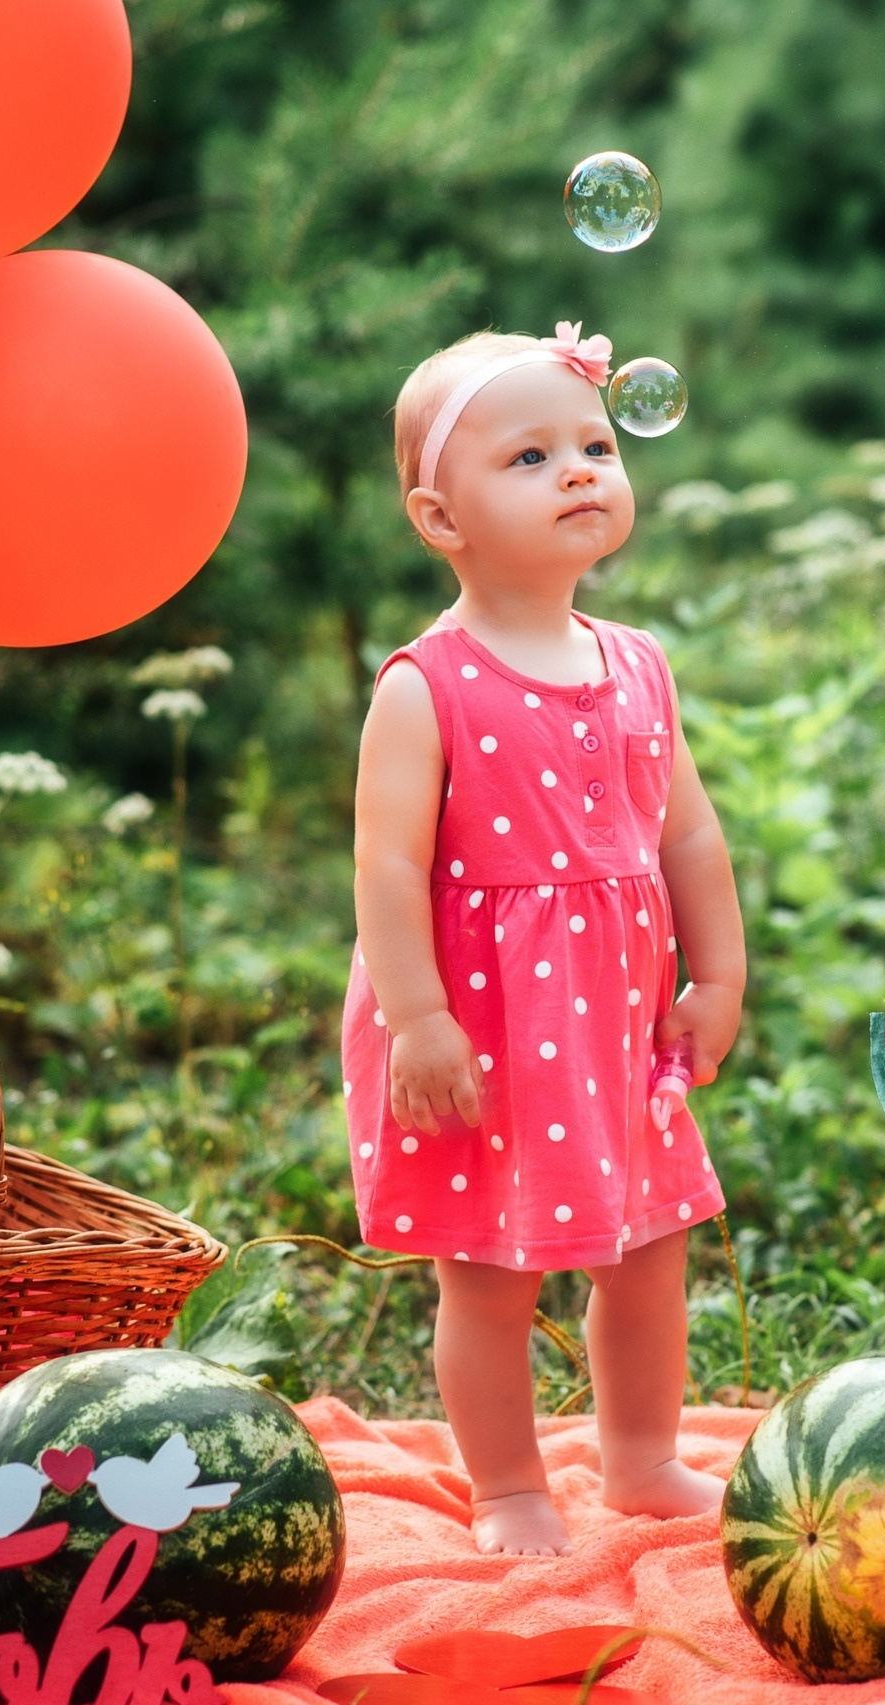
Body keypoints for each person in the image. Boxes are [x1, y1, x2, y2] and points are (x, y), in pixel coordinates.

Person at [342, 323, 747, 1557]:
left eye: (594, 445)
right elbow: (388, 864)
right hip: (485, 1020)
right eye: (529, 456)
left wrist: (717, 971)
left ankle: (640, 1458)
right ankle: (511, 1483)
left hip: (616, 1019)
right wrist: (418, 1016)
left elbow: (688, 838)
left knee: (651, 1244)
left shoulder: (637, 664)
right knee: (490, 1266)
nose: (578, 470)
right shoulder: (429, 682)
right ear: (439, 515)